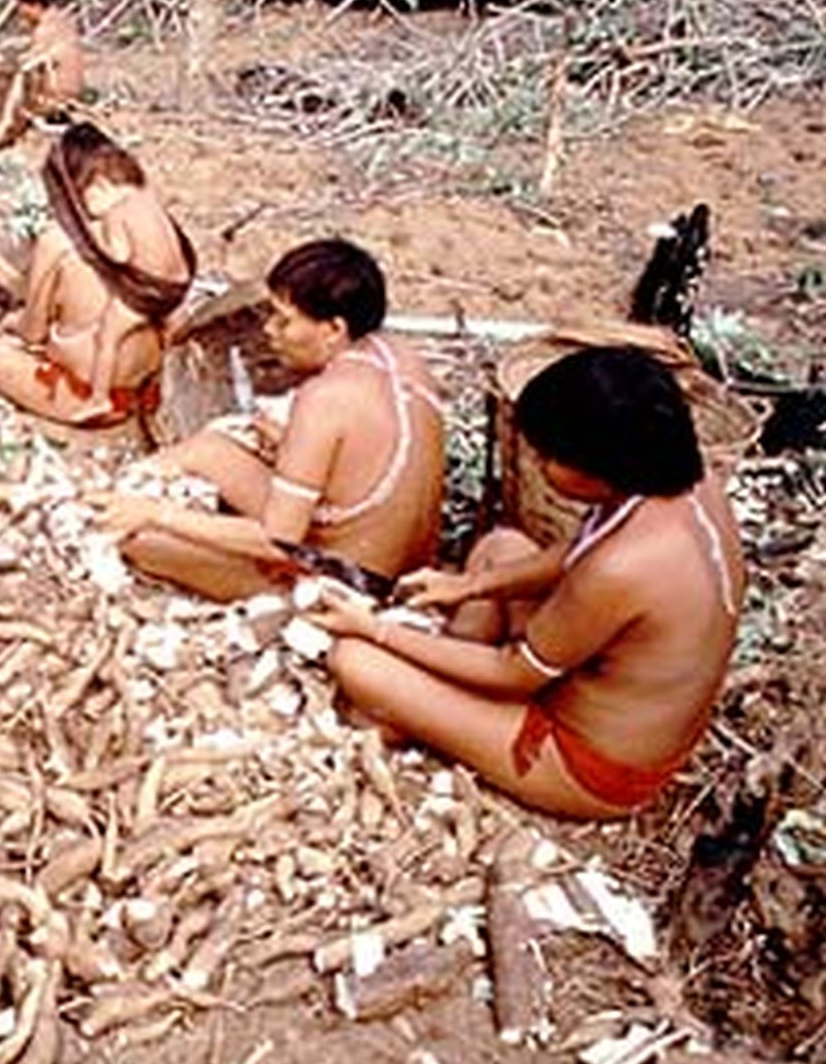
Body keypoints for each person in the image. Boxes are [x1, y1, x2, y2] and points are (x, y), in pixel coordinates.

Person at [308, 347, 743, 819]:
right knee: (502, 547)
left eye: (549, 457)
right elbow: (582, 549)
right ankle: (437, 686)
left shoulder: (622, 568)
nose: (539, 466)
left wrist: (375, 629)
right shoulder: (688, 484)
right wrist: (469, 588)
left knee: (355, 661)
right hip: (590, 681)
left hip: (589, 764)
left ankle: (424, 703)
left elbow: (514, 673)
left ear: (602, 465)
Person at [99, 238, 444, 601]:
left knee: (141, 542)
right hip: (402, 562)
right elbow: (365, 461)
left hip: (353, 587)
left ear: (333, 330)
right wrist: (291, 445)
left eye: (284, 321)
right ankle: (114, 497)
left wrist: (158, 515)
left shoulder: (323, 398)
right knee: (211, 450)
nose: (269, 331)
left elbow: (278, 543)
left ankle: (123, 511)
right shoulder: (401, 356)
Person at [0, 124, 195, 427]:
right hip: (146, 392)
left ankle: (93, 402)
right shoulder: (148, 220)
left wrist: (18, 322)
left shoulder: (58, 241)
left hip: (78, 392)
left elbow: (33, 335)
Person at [11, 0, 84, 110]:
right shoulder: (63, 20)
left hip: (56, 97)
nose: (19, 11)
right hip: (73, 92)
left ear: (36, 4)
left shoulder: (46, 29)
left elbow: (33, 62)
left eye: (22, 5)